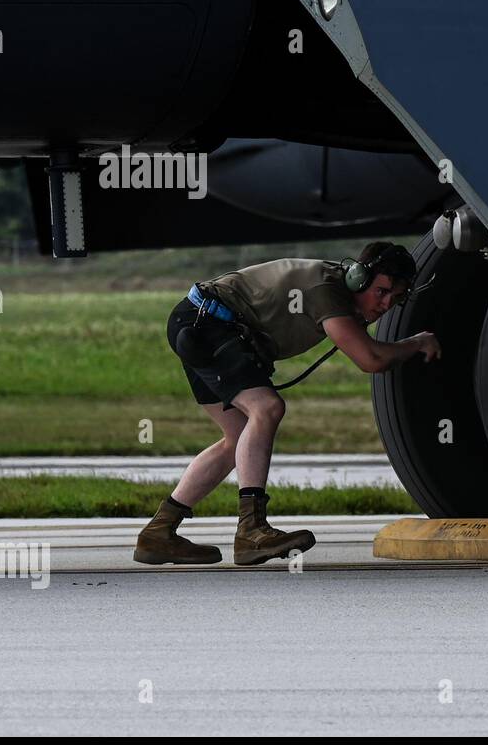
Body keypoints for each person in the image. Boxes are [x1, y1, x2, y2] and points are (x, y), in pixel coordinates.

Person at [133, 241, 441, 566]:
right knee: (267, 408)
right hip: (208, 324)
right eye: (382, 291)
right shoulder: (327, 290)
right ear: (358, 278)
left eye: (396, 298)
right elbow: (371, 359)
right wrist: (416, 343)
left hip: (198, 321)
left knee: (237, 438)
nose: (385, 304)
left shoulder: (339, 292)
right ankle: (251, 531)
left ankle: (159, 532)